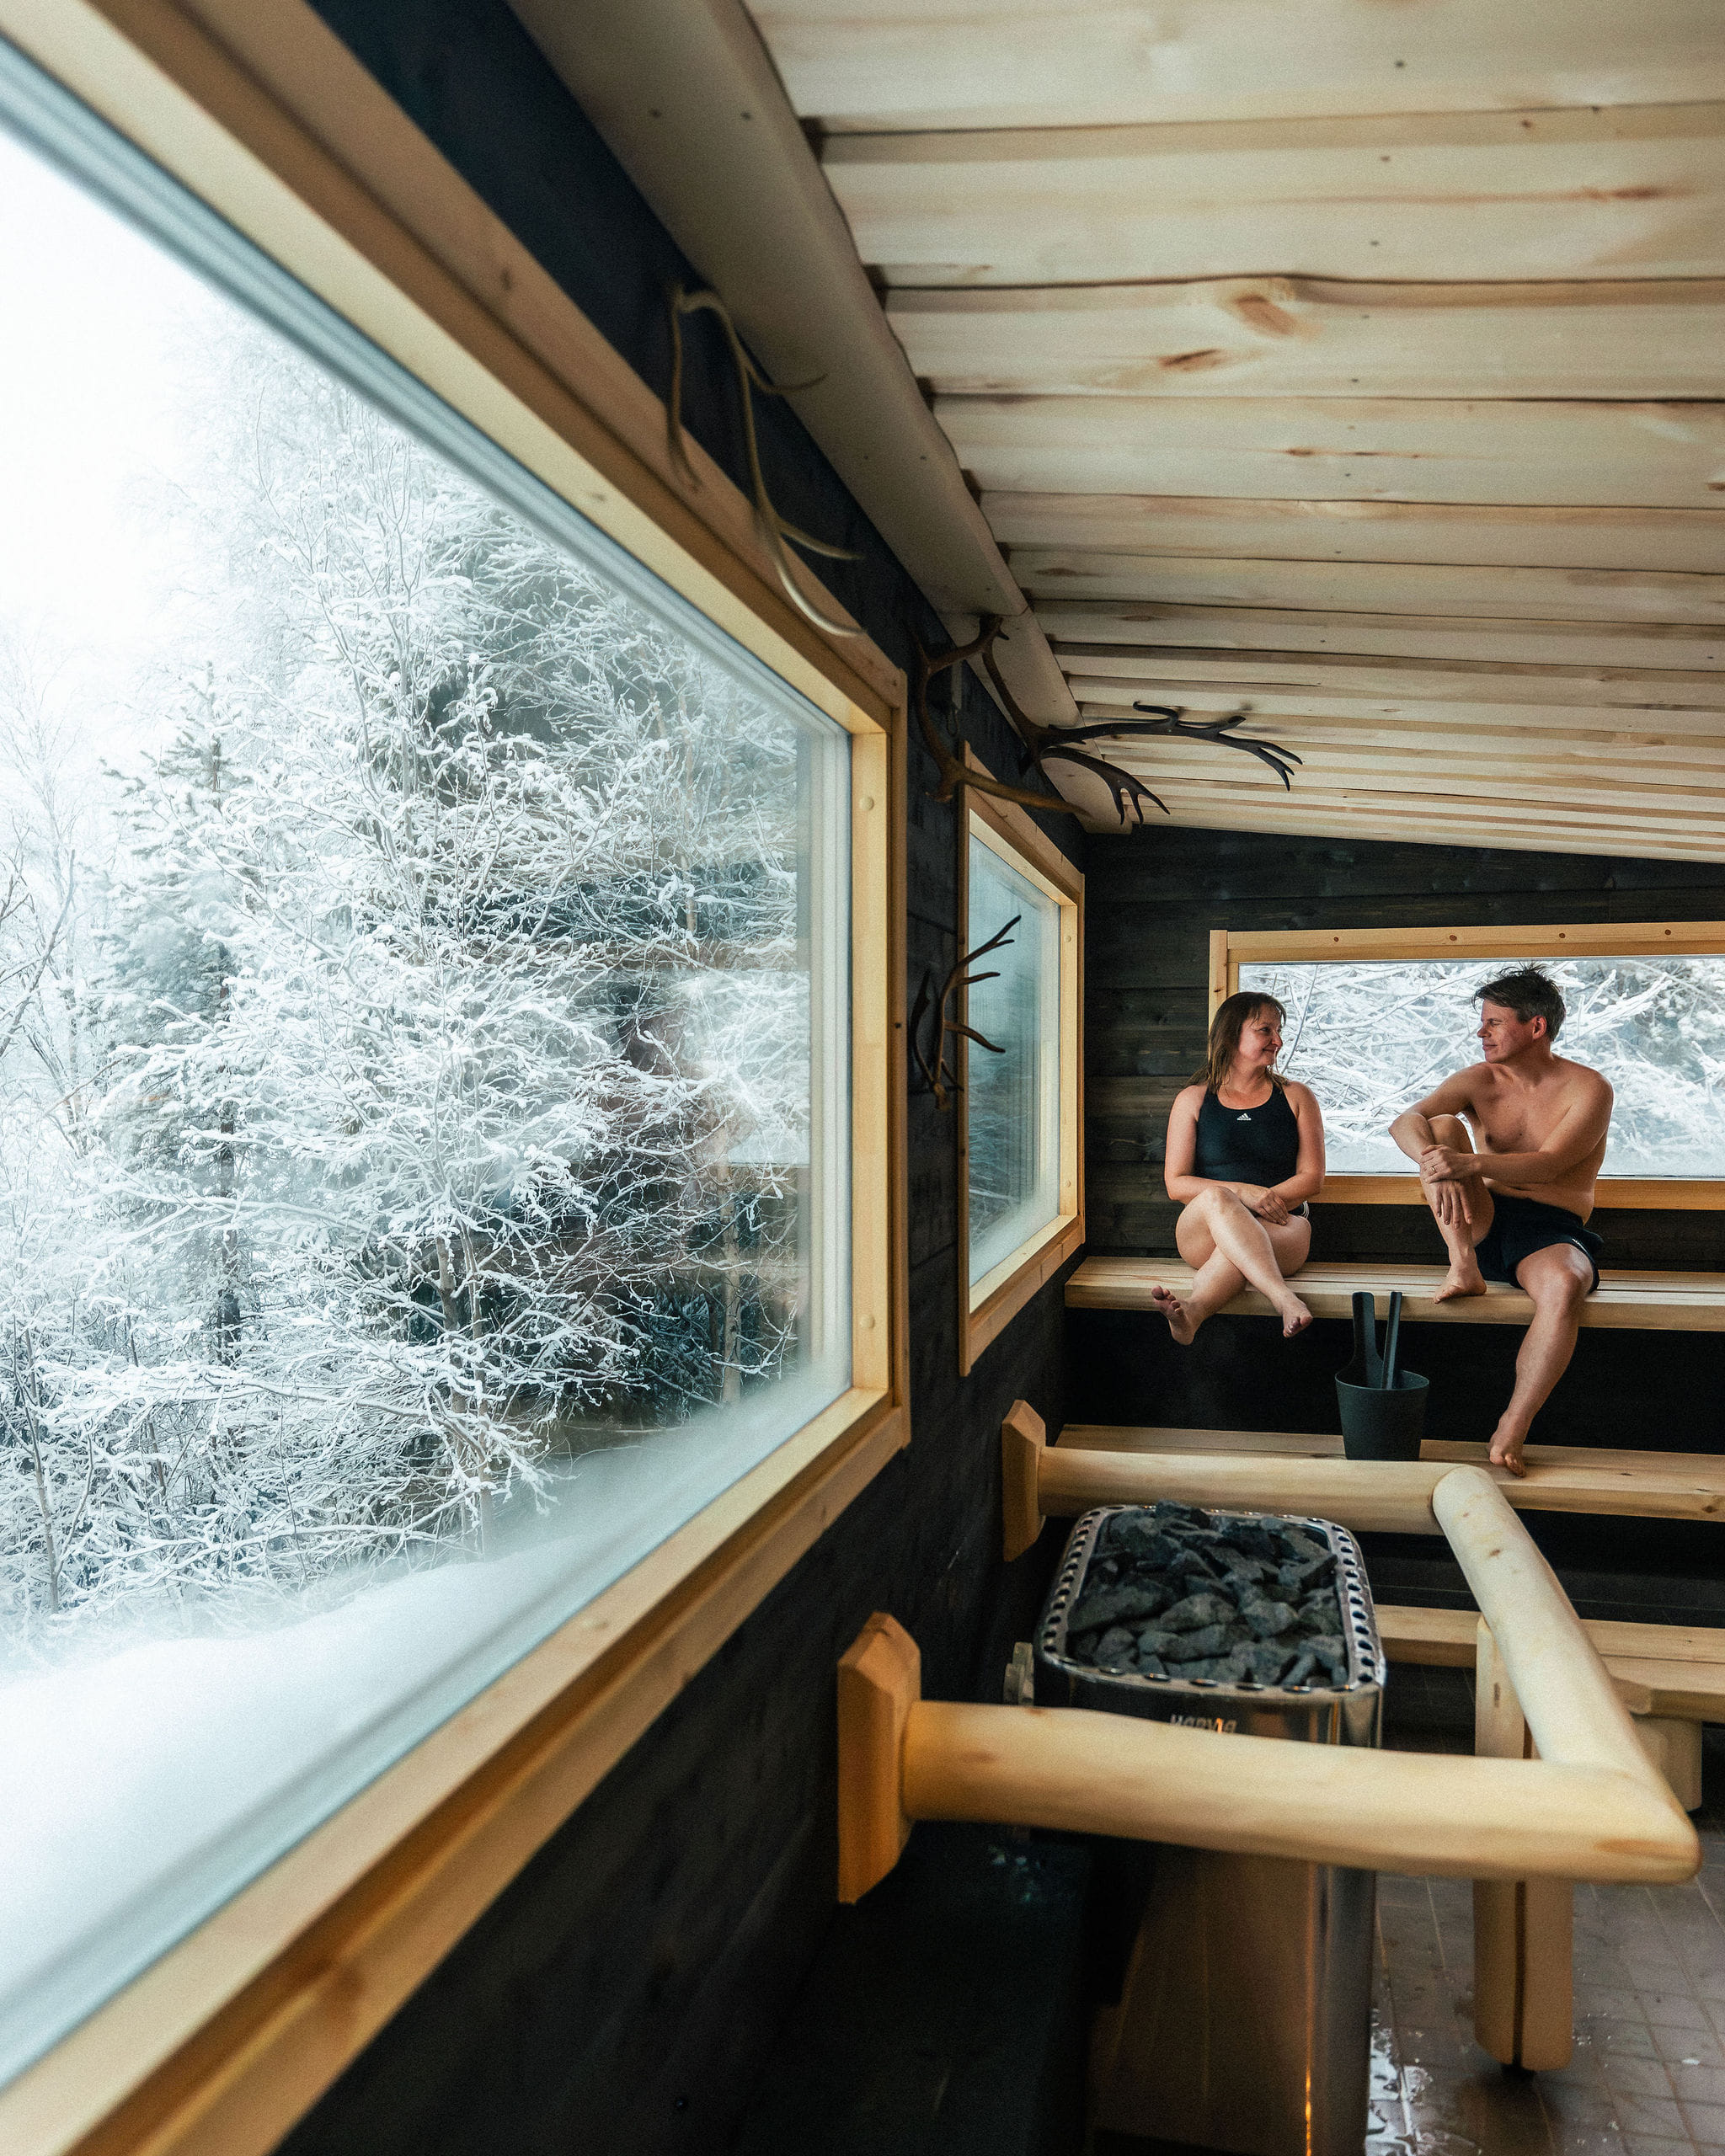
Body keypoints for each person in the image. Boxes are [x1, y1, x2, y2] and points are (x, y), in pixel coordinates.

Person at [1388, 967, 1612, 1479]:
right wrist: (1433, 1157)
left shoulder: (1589, 1088)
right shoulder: (1475, 1081)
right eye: (1481, 1022)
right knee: (1439, 1127)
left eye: (1493, 1022)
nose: (1480, 1033)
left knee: (1567, 1284)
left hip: (1550, 1228)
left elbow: (1551, 1164)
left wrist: (1468, 1164)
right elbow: (1405, 1120)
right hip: (1476, 1221)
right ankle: (1462, 1266)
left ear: (1535, 1027)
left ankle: (1514, 1422)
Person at [1151, 992, 1327, 1345]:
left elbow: (1312, 1178)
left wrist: (1264, 1204)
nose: (1277, 1040)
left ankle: (1194, 1311)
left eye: (1279, 1031)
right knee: (1218, 1198)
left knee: (1243, 1246)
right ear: (1231, 1035)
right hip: (1204, 1230)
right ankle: (1284, 1299)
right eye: (1265, 1030)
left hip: (1282, 1225)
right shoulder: (1193, 1099)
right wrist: (1242, 1194)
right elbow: (1176, 1183)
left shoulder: (1296, 1097)